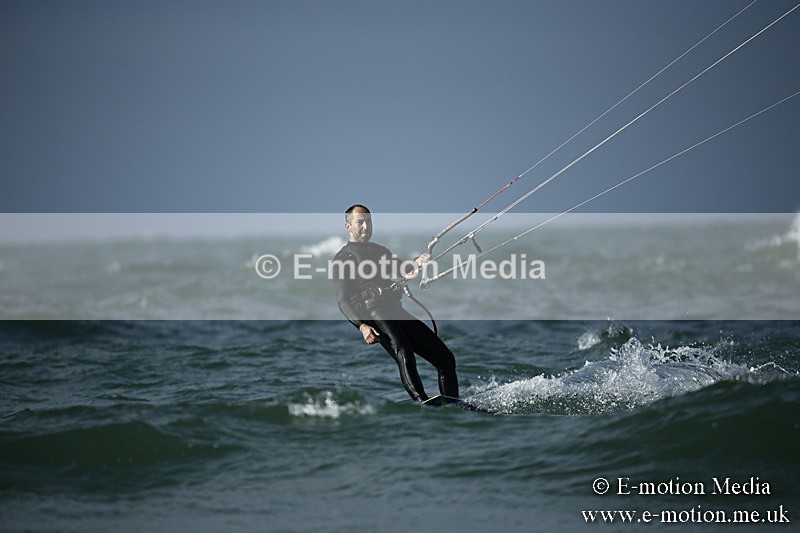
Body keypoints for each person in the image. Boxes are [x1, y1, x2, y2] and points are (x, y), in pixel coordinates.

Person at [333, 204, 459, 402]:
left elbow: (403, 269)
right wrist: (362, 326)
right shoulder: (344, 258)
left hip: (395, 310)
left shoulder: (379, 250)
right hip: (374, 313)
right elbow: (343, 300)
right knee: (404, 351)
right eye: (360, 222)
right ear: (348, 226)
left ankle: (452, 405)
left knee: (446, 359)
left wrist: (417, 262)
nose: (365, 226)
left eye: (368, 221)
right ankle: (423, 403)